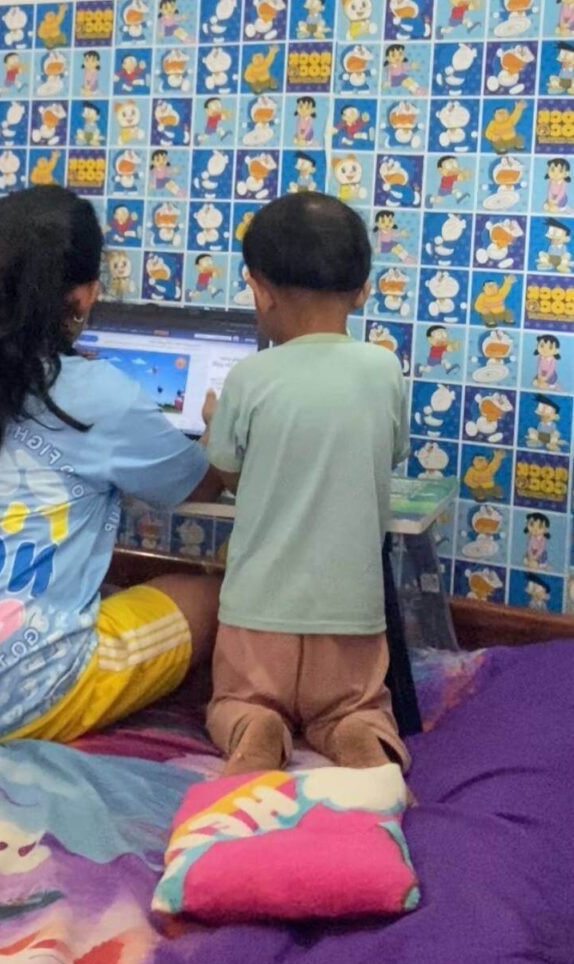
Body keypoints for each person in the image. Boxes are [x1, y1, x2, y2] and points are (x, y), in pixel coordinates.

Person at [0, 185, 222, 744]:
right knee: (208, 592)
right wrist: (220, 429)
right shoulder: (104, 393)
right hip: (19, 697)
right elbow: (197, 481)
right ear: (83, 298)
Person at [203, 191, 411, 776]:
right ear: (363, 289)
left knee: (238, 700)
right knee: (356, 708)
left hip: (257, 611)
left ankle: (256, 727)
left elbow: (229, 474)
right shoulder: (383, 370)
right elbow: (388, 453)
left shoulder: (250, 376)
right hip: (352, 615)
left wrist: (214, 424)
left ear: (260, 290)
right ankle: (360, 738)